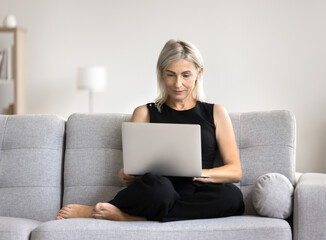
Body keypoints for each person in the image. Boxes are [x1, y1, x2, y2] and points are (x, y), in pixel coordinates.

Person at [56, 39, 245, 222]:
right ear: (161, 73)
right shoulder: (144, 112)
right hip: (156, 189)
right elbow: (128, 170)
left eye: (186, 75)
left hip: (197, 189)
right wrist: (125, 174)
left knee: (232, 196)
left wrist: (199, 173)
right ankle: (149, 212)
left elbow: (235, 171)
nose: (178, 84)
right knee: (159, 190)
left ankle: (132, 216)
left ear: (199, 73)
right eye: (171, 74)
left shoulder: (216, 113)